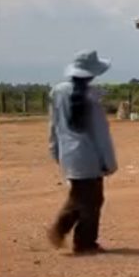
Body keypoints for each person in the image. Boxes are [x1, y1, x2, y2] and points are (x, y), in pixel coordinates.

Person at [47, 50, 117, 255]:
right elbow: (100, 133)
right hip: (90, 157)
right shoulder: (91, 97)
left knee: (83, 196)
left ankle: (71, 234)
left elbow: (53, 126)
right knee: (90, 200)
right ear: (92, 74)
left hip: (68, 154)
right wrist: (109, 162)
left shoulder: (58, 92)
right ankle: (76, 237)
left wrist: (55, 151)